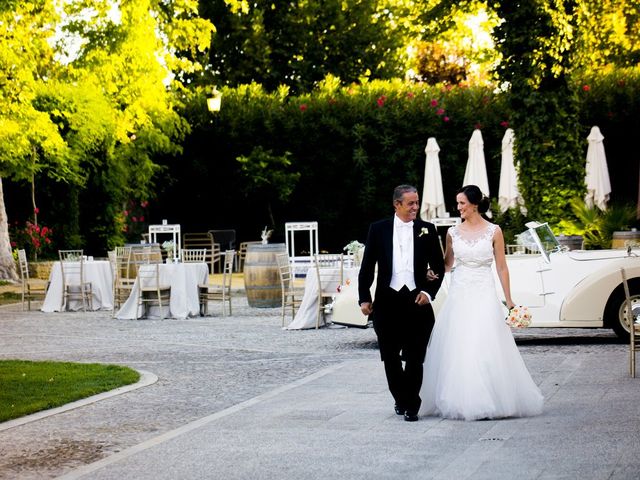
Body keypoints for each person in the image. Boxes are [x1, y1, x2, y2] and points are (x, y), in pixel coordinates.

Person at [420, 185, 544, 420]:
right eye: (457, 204)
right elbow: (447, 264)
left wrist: (509, 300)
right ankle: (461, 398)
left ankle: (492, 397)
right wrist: (432, 273)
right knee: (459, 343)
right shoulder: (452, 233)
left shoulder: (494, 231)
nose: (458, 208)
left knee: (484, 341)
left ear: (475, 204)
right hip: (459, 292)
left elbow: (501, 267)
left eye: (462, 203)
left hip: (483, 291)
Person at [358, 184, 445, 422]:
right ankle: (401, 397)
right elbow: (367, 267)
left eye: (417, 202)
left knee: (416, 356)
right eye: (411, 203)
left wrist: (428, 293)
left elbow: (438, 267)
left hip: (417, 302)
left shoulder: (427, 229)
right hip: (387, 303)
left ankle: (412, 404)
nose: (416, 207)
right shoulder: (378, 229)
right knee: (390, 356)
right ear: (397, 204)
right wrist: (364, 297)